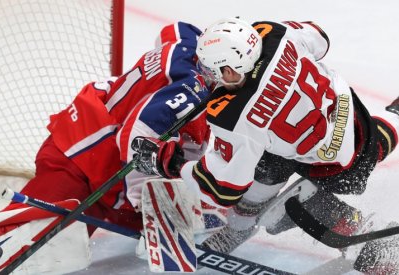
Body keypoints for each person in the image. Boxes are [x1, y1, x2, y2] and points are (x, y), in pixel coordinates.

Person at [131, 18, 399, 272]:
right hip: (350, 117)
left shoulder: (233, 116)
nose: (208, 75)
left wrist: (170, 162)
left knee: (277, 192)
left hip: (328, 167)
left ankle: (253, 223)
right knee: (368, 143)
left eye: (211, 69)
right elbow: (320, 39)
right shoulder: (273, 32)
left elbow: (223, 188)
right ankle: (395, 114)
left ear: (228, 70)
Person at [2, 21, 212, 236]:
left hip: (101, 162)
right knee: (19, 238)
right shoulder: (191, 92)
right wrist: (145, 204)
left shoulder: (189, 45)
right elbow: (136, 138)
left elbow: (175, 28)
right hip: (80, 157)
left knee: (64, 249)